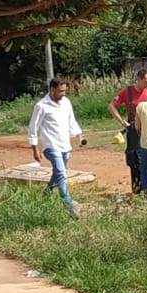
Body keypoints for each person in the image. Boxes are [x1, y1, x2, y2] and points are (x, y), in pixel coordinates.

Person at [28, 77, 86, 216]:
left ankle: (45, 196)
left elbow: (72, 121)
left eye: (64, 91)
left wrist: (79, 136)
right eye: (60, 91)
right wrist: (35, 149)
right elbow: (33, 128)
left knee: (58, 173)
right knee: (61, 173)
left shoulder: (66, 102)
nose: (63, 94)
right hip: (51, 146)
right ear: (52, 90)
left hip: (65, 145)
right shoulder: (41, 106)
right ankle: (69, 207)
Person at [109, 68, 147, 193]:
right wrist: (123, 122)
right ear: (138, 79)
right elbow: (111, 106)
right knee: (134, 160)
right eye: (146, 81)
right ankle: (137, 190)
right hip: (133, 131)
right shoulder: (127, 92)